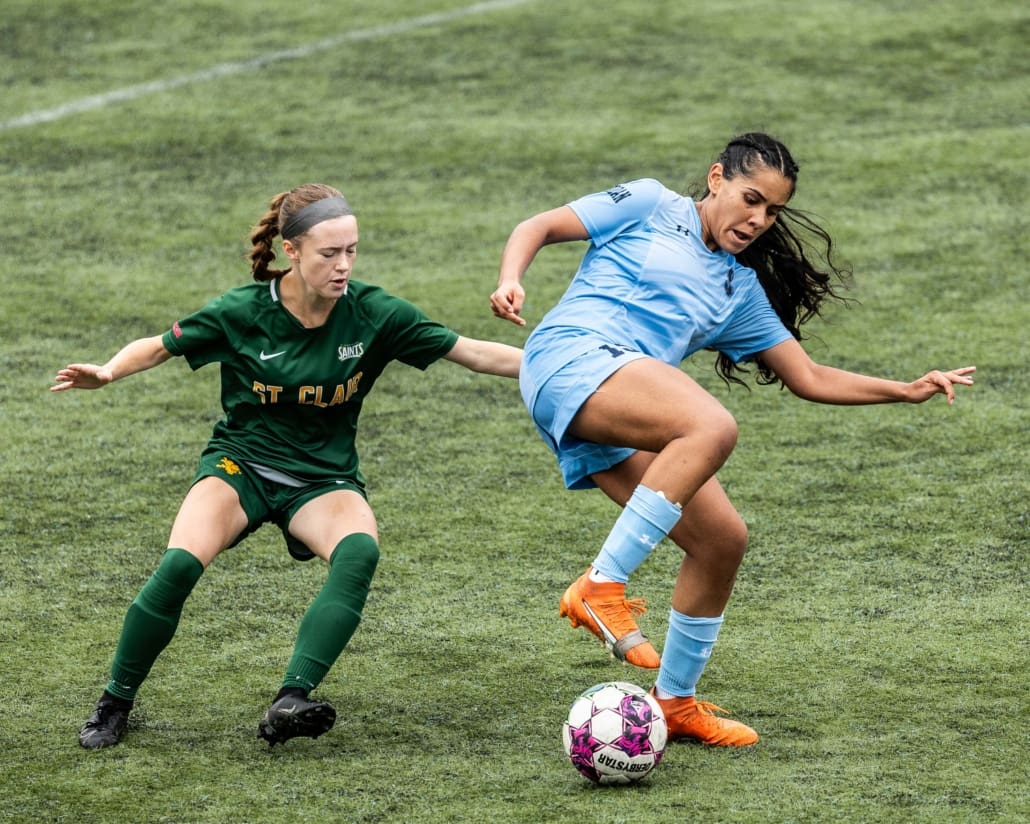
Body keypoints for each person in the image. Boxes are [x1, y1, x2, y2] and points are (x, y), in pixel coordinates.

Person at [489, 133, 975, 747]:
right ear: (716, 178)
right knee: (711, 425)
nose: (757, 220)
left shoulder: (738, 291)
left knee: (721, 540)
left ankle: (674, 704)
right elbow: (539, 225)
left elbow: (811, 377)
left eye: (771, 211)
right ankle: (600, 586)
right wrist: (511, 280)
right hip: (568, 357)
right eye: (750, 199)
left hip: (619, 400)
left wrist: (905, 390)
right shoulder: (648, 202)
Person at [54, 183, 522, 749]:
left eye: (352, 250)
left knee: (359, 552)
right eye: (330, 253)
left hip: (323, 480)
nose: (344, 265)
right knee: (178, 566)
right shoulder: (243, 311)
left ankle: (290, 698)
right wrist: (107, 371)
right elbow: (158, 345)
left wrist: (573, 367)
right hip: (242, 466)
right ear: (292, 252)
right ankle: (114, 702)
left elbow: (473, 353)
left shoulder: (375, 313)